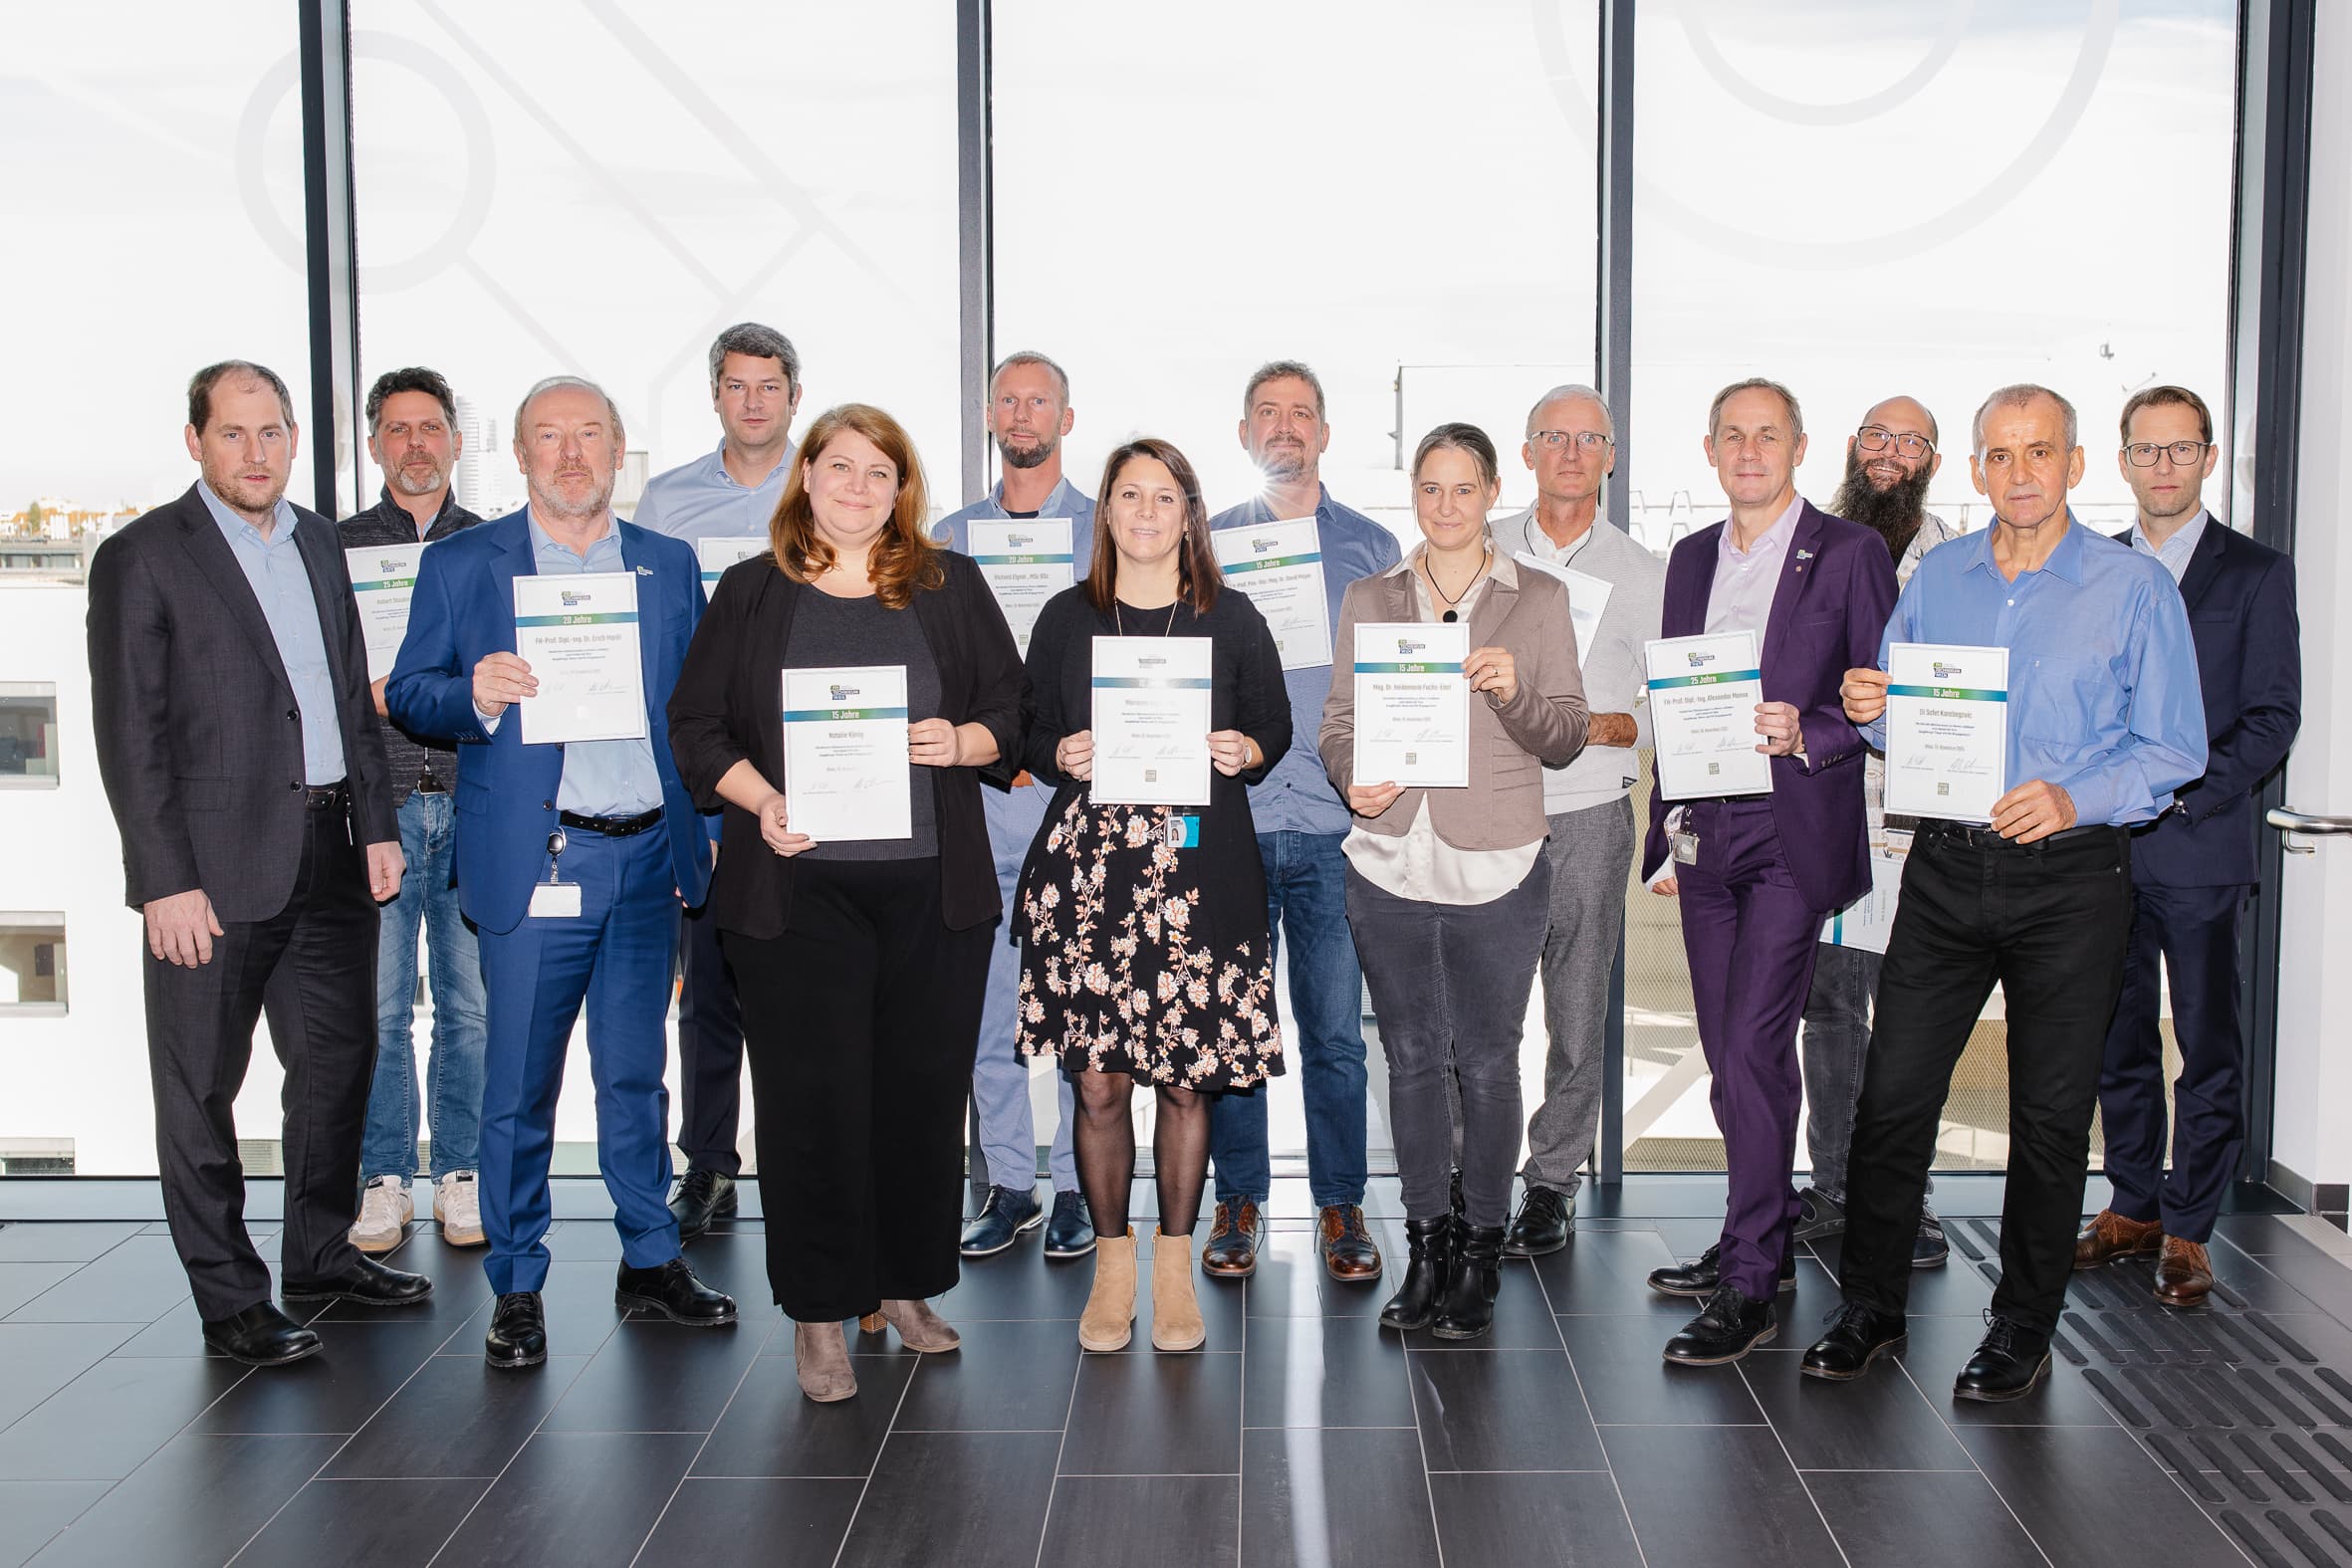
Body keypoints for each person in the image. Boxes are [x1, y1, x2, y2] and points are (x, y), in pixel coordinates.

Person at [1806, 383, 2205, 1401]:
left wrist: (2077, 798)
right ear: (1974, 468)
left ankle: (2020, 1326)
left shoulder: (2131, 588)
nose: (2017, 473)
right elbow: (1903, 720)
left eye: (2038, 453)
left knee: (2047, 1118)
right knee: (1892, 1102)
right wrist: (1869, 706)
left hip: (2071, 882)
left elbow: (2173, 746)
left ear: (2074, 465)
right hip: (1943, 868)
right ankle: (1870, 1307)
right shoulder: (1939, 576)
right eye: (1997, 455)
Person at [668, 403, 1023, 1403]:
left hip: (929, 888)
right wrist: (762, 798)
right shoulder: (749, 593)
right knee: (810, 1107)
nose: (859, 488)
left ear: (903, 488)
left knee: (916, 1100)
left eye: (881, 472)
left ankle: (904, 1287)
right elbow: (694, 727)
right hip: (794, 891)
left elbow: (1013, 712)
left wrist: (961, 742)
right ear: (807, 476)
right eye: (841, 468)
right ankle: (820, 1314)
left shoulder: (949, 589)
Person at [388, 375, 735, 1371]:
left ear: (617, 451)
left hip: (641, 858)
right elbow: (411, 690)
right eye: (551, 437)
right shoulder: (463, 564)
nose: (571, 454)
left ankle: (651, 1259)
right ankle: (517, 1282)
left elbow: (695, 712)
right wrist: (476, 698)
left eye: (589, 435)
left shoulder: (665, 565)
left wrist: (696, 830)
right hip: (537, 858)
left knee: (637, 1078)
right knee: (518, 1090)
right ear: (522, 455)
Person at [89, 360, 428, 1366]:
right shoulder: (143, 557)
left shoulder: (320, 541)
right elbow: (130, 735)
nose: (255, 453)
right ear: (195, 440)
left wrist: (375, 826)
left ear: (292, 439)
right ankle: (231, 1298)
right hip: (209, 872)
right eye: (232, 434)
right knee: (200, 1088)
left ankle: (321, 1258)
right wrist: (162, 879)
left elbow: (343, 700)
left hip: (331, 849)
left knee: (337, 1067)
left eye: (271, 432)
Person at [1639, 378, 1897, 1366]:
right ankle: (1766, 1233)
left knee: (1750, 1045)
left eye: (1767, 435)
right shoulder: (1692, 556)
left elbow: (1883, 693)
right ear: (1710, 451)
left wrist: (1811, 730)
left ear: (1797, 447)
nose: (1749, 451)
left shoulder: (1848, 552)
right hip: (1707, 833)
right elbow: (1676, 697)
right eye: (1732, 436)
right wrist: (1665, 830)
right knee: (1728, 1050)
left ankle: (1749, 1279)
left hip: (1792, 832)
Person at [1017, 436, 1291, 1354]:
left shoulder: (1232, 615)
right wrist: (1059, 751)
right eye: (1128, 495)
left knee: (1183, 1080)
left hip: (1197, 872)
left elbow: (1275, 726)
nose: (1144, 512)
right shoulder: (1065, 617)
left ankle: (1174, 1266)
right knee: (1096, 1083)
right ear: (1107, 513)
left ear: (1189, 514)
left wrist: (1244, 750)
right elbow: (1026, 728)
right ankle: (1112, 1264)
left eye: (1163, 496)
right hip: (1092, 879)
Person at [1323, 423, 1588, 1340]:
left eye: (1462, 489)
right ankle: (1425, 1245)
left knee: (1484, 1059)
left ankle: (1481, 1250)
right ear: (1414, 494)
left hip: (1499, 858)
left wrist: (1514, 692)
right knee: (1409, 1061)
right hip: (1389, 857)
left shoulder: (1539, 598)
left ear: (1491, 492)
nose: (1444, 506)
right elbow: (1339, 723)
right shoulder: (1370, 596)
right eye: (1429, 489)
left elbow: (1564, 732)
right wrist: (1350, 771)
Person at [2078, 385, 2299, 1307]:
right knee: (2113, 1037)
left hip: (2200, 846)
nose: (2163, 465)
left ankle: (2190, 1227)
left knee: (2207, 1044)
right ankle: (2132, 1202)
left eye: (2181, 449)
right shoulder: (2092, 569)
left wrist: (2174, 795)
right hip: (2103, 853)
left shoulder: (2254, 571)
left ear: (2209, 457)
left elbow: (2272, 716)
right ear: (2122, 461)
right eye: (2146, 449)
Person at [1204, 360, 1398, 1285]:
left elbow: (1397, 678)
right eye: (1267, 415)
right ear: (1244, 435)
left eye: (1302, 414)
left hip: (1332, 824)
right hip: (1230, 823)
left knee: (1332, 1033)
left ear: (1325, 433)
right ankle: (1237, 1202)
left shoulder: (1370, 544)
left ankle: (1340, 1204)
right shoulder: (1207, 544)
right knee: (1235, 1033)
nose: (1285, 428)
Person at [631, 323, 805, 1239]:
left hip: (808, 768)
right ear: (715, 396)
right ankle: (708, 1163)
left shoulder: (824, 493)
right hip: (703, 771)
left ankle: (805, 1166)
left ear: (793, 396)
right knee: (707, 989)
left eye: (768, 385)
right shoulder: (664, 504)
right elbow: (656, 647)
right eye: (736, 385)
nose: (752, 401)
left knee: (802, 987)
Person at [932, 351, 1094, 1261]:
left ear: (1067, 419)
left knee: (1075, 1011)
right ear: (990, 414)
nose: (1023, 413)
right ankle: (1008, 1181)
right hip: (980, 803)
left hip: (1070, 807)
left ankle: (1075, 1182)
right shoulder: (948, 541)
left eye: (1041, 400)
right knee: (986, 1014)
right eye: (1009, 398)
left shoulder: (1103, 537)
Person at [1495, 385, 1664, 1256]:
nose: (1568, 450)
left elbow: (1671, 708)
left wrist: (1597, 724)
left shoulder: (1645, 573)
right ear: (1526, 452)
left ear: (1609, 455)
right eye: (1551, 435)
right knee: (1480, 1012)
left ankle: (1552, 1181)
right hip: (1485, 807)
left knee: (1575, 1008)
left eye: (1587, 437)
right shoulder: (1473, 549)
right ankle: (1471, 1175)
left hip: (1591, 809)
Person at [1793, 395, 1960, 1267]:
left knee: (1908, 1022)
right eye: (1876, 436)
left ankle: (1904, 1200)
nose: (1890, 452)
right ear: (1853, 447)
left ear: (1933, 458)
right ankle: (1830, 1189)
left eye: (1910, 440)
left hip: (1923, 823)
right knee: (1828, 1012)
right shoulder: (1809, 545)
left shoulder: (1961, 565)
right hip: (1827, 812)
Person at [339, 366, 490, 1254]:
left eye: (430, 428)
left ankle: (462, 1171)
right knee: (383, 1005)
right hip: (382, 803)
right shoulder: (336, 547)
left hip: (474, 796)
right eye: (397, 431)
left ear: (457, 441)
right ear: (374, 446)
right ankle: (385, 1177)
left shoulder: (493, 545)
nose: (416, 445)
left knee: (469, 1006)